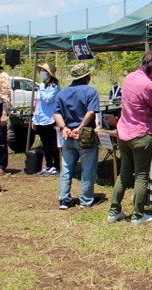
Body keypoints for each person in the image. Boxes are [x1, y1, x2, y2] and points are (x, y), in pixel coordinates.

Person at [107, 50, 152, 226]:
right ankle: (138, 215)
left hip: (124, 133)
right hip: (141, 134)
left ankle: (114, 211)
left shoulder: (129, 78)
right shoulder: (148, 85)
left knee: (124, 173)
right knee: (141, 176)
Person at [53, 63, 101, 209]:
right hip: (85, 135)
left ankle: (64, 199)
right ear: (87, 76)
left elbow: (56, 112)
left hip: (67, 135)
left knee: (66, 169)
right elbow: (91, 112)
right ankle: (86, 200)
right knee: (88, 169)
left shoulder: (62, 93)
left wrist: (63, 128)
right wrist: (80, 128)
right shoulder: (90, 91)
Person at [32, 63, 60, 176]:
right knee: (45, 144)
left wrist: (41, 88)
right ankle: (48, 164)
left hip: (50, 119)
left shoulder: (54, 86)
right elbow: (38, 104)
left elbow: (48, 99)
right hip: (40, 119)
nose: (41, 73)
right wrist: (34, 119)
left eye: (44, 71)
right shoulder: (42, 86)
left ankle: (56, 166)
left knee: (53, 144)